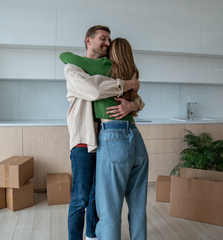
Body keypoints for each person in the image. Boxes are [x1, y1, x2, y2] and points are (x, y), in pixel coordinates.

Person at [61, 25, 144, 240]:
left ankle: (92, 236)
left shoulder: (109, 68)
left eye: (109, 40)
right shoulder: (73, 68)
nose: (107, 43)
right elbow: (95, 90)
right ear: (88, 41)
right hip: (84, 140)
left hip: (107, 139)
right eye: (103, 38)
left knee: (97, 196)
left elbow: (138, 99)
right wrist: (129, 83)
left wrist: (132, 105)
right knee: (80, 198)